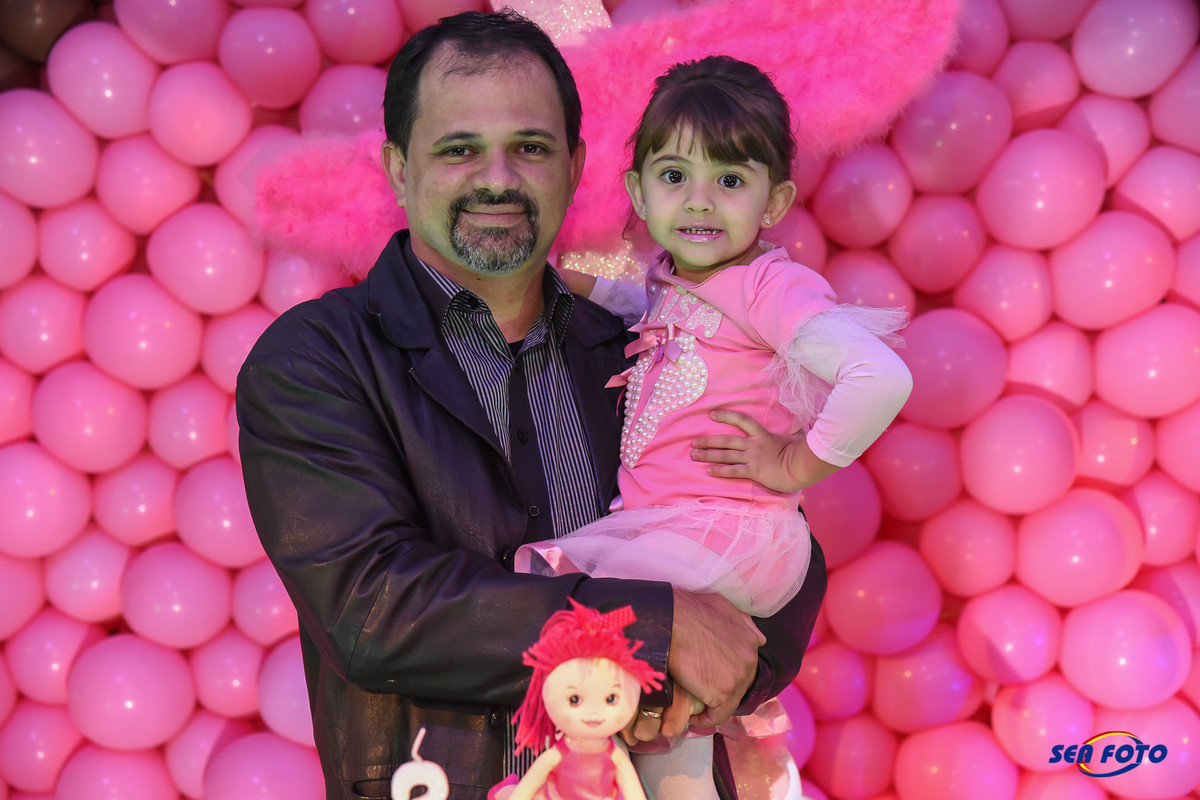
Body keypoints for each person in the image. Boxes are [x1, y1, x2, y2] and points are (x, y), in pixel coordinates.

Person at [236, 11, 825, 800]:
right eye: (459, 149)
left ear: (575, 167)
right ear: (399, 169)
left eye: (531, 147)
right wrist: (655, 627)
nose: (498, 178)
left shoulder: (644, 345)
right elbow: (372, 605)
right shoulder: (318, 359)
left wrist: (729, 667)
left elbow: (770, 533)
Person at [519, 56, 913, 800]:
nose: (700, 201)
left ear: (774, 201)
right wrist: (569, 282)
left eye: (730, 180)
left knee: (604, 653)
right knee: (660, 724)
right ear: (639, 192)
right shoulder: (678, 275)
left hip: (727, 533)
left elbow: (880, 376)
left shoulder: (769, 285)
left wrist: (796, 464)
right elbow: (652, 308)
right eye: (675, 176)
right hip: (676, 530)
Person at [489, 600, 663, 800]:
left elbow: (632, 789)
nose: (593, 712)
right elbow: (532, 782)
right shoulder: (559, 753)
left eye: (610, 699)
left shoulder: (615, 756)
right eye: (574, 700)